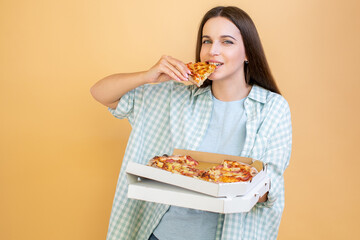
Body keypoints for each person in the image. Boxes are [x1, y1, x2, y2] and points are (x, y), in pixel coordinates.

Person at [90, 6, 292, 240]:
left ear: (248, 53)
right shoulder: (176, 96)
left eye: (227, 42)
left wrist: (237, 185)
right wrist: (148, 75)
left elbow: (271, 186)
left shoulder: (272, 107)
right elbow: (100, 93)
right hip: (162, 234)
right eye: (207, 41)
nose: (212, 51)